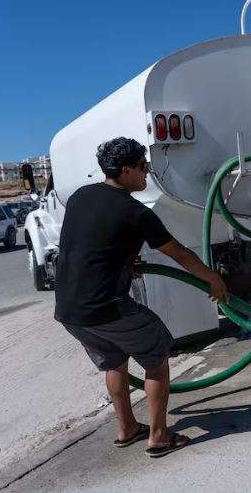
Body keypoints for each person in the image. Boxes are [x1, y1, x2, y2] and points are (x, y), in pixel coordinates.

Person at [55, 136, 229, 458]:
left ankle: (127, 429)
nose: (146, 172)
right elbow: (179, 254)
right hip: (106, 307)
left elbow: (90, 244)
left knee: (115, 361)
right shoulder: (134, 212)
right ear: (126, 171)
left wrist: (123, 264)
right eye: (142, 167)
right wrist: (213, 278)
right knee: (157, 354)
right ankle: (159, 437)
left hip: (69, 310)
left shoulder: (81, 197)